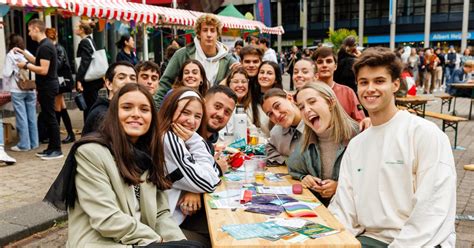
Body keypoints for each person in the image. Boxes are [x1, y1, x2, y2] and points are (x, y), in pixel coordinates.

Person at [45, 84, 204, 247]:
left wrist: (177, 241)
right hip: (103, 242)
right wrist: (157, 241)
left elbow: (161, 213)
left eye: (144, 109)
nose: (136, 114)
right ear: (114, 114)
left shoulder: (149, 155)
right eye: (127, 107)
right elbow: (106, 218)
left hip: (140, 240)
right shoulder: (91, 153)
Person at [328, 47, 456, 247]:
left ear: (395, 84)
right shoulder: (357, 144)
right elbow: (344, 206)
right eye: (363, 82)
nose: (370, 88)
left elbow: (433, 209)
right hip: (369, 239)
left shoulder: (424, 134)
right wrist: (336, 241)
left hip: (421, 242)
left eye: (379, 81)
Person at [158, 88, 220, 246]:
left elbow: (212, 171)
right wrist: (195, 140)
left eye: (198, 116)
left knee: (223, 227)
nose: (191, 121)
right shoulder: (167, 138)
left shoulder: (178, 138)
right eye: (185, 113)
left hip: (177, 216)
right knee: (215, 239)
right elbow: (209, 182)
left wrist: (193, 188)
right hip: (163, 227)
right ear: (170, 110)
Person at [287, 83, 358, 206]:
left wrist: (338, 187)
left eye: (312, 102)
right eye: (301, 107)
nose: (307, 110)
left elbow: (370, 182)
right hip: (323, 211)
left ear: (331, 103)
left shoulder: (357, 135)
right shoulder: (308, 138)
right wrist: (304, 177)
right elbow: (293, 168)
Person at [155, 14, 237, 106]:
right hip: (185, 109)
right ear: (199, 33)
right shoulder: (182, 54)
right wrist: (157, 111)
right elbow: (165, 83)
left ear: (217, 34)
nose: (209, 35)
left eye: (212, 31)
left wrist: (237, 70)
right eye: (205, 30)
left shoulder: (227, 59)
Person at [15, 19, 62, 160]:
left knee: (50, 117)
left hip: (48, 86)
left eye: (29, 30)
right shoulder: (44, 45)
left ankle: (57, 149)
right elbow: (38, 61)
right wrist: (23, 52)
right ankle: (51, 148)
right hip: (46, 86)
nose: (29, 34)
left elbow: (43, 69)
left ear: (36, 29)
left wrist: (25, 66)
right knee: (48, 117)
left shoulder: (45, 46)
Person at [312, 47, 366, 125]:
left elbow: (360, 121)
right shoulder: (308, 93)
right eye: (320, 62)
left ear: (335, 66)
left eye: (329, 61)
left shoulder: (348, 92)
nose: (324, 65)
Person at [3, 34, 39, 152]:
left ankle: (24, 145)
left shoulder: (10, 55)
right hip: (31, 88)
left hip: (17, 89)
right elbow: (35, 63)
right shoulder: (26, 53)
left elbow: (7, 73)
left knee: (21, 117)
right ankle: (34, 143)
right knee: (32, 116)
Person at [82, 61, 137, 136]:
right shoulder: (102, 115)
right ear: (108, 84)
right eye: (121, 78)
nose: (128, 82)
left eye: (132, 78)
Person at [45, 28, 75, 144]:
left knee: (57, 108)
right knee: (62, 108)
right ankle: (70, 134)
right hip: (60, 81)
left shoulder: (57, 48)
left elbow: (57, 65)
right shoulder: (57, 47)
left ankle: (55, 136)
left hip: (61, 82)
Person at [262, 88, 304, 165]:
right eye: (270, 114)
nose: (277, 115)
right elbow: (268, 147)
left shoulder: (313, 123)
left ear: (289, 98)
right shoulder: (276, 132)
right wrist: (286, 161)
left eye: (277, 106)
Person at [75, 20, 105, 122]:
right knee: (91, 105)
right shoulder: (90, 40)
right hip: (94, 79)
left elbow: (85, 61)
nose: (74, 29)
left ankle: (90, 130)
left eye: (76, 27)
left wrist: (79, 79)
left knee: (89, 107)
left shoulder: (84, 42)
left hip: (89, 80)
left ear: (82, 30)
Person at [251, 61, 283, 137]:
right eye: (262, 72)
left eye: (269, 73)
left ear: (276, 79)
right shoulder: (250, 97)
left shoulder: (283, 98)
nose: (264, 76)